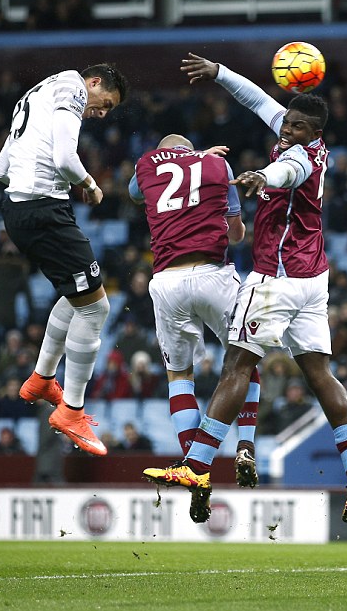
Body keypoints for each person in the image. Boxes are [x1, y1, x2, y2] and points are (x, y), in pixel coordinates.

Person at [144, 53, 347, 526]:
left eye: (294, 126)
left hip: (276, 279)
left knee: (237, 365)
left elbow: (287, 171)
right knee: (319, 374)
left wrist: (259, 176)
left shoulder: (300, 157)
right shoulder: (305, 136)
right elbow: (258, 101)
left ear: (314, 134)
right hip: (313, 280)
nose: (285, 128)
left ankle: (197, 466)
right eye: (285, 122)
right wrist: (220, 73)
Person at [0, 63, 129, 456]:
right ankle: (71, 410)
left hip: (18, 209)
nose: (101, 113)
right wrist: (89, 183)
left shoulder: (37, 93)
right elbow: (66, 157)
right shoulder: (72, 88)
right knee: (97, 310)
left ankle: (41, 379)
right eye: (106, 103)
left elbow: (0, 168)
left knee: (78, 299)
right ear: (95, 82)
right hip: (44, 211)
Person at [130, 134, 262, 495]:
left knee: (179, 376)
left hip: (167, 282)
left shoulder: (146, 165)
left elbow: (134, 191)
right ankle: (246, 446)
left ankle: (194, 466)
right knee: (243, 361)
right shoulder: (217, 165)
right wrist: (200, 161)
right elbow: (236, 235)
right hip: (213, 275)